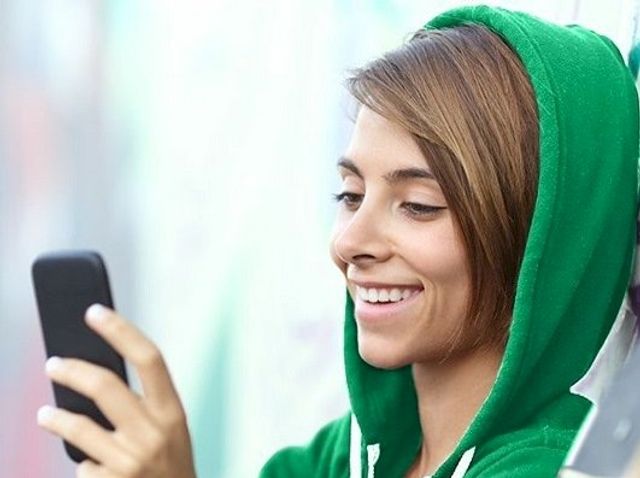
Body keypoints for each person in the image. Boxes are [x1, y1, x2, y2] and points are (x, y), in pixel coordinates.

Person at [35, 4, 639, 478]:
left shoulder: (553, 468)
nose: (351, 242)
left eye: (418, 205)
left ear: (538, 240)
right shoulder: (335, 460)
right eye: (350, 195)